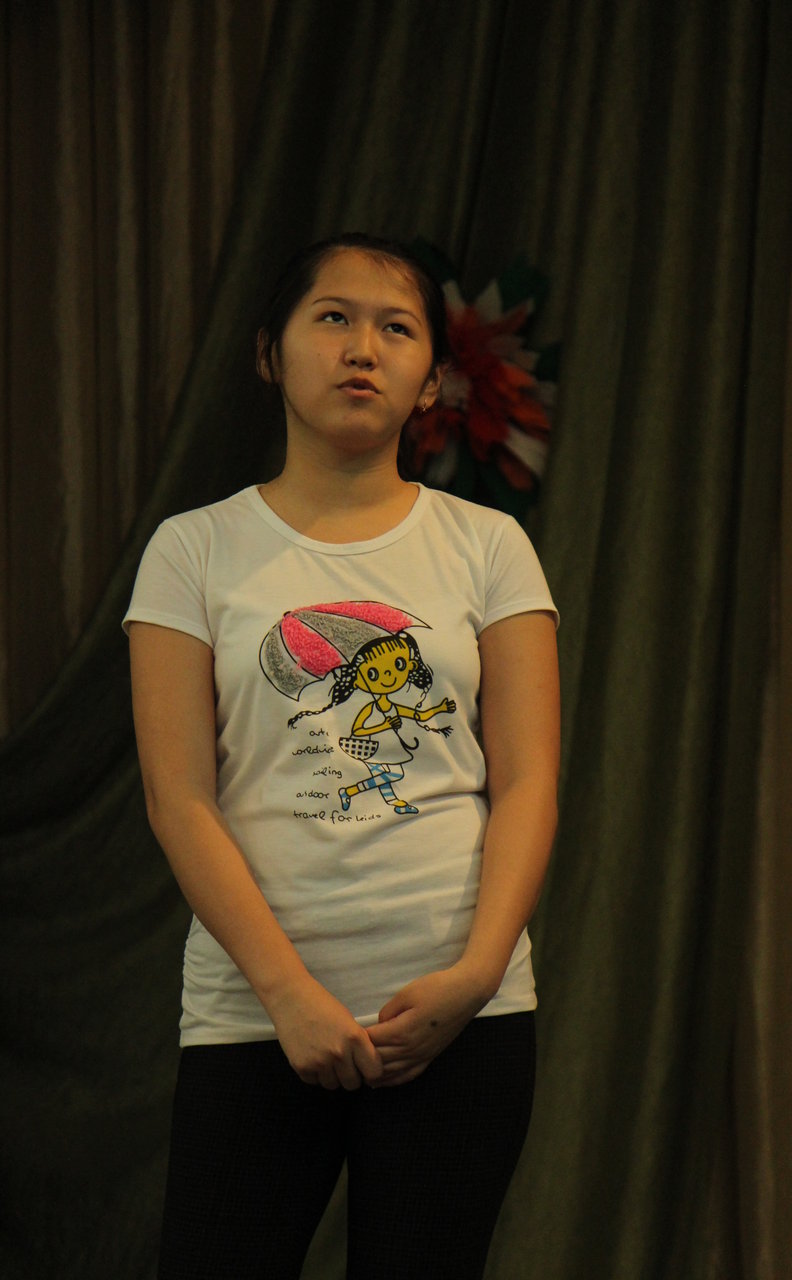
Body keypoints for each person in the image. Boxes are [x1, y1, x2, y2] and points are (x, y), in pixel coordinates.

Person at [124, 232, 560, 1279]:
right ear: (268, 353)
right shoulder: (193, 549)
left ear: (429, 380)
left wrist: (475, 974)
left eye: (395, 328)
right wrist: (286, 994)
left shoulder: (488, 545)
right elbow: (180, 799)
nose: (362, 347)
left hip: (459, 1016)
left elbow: (529, 781)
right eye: (333, 318)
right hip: (254, 1014)